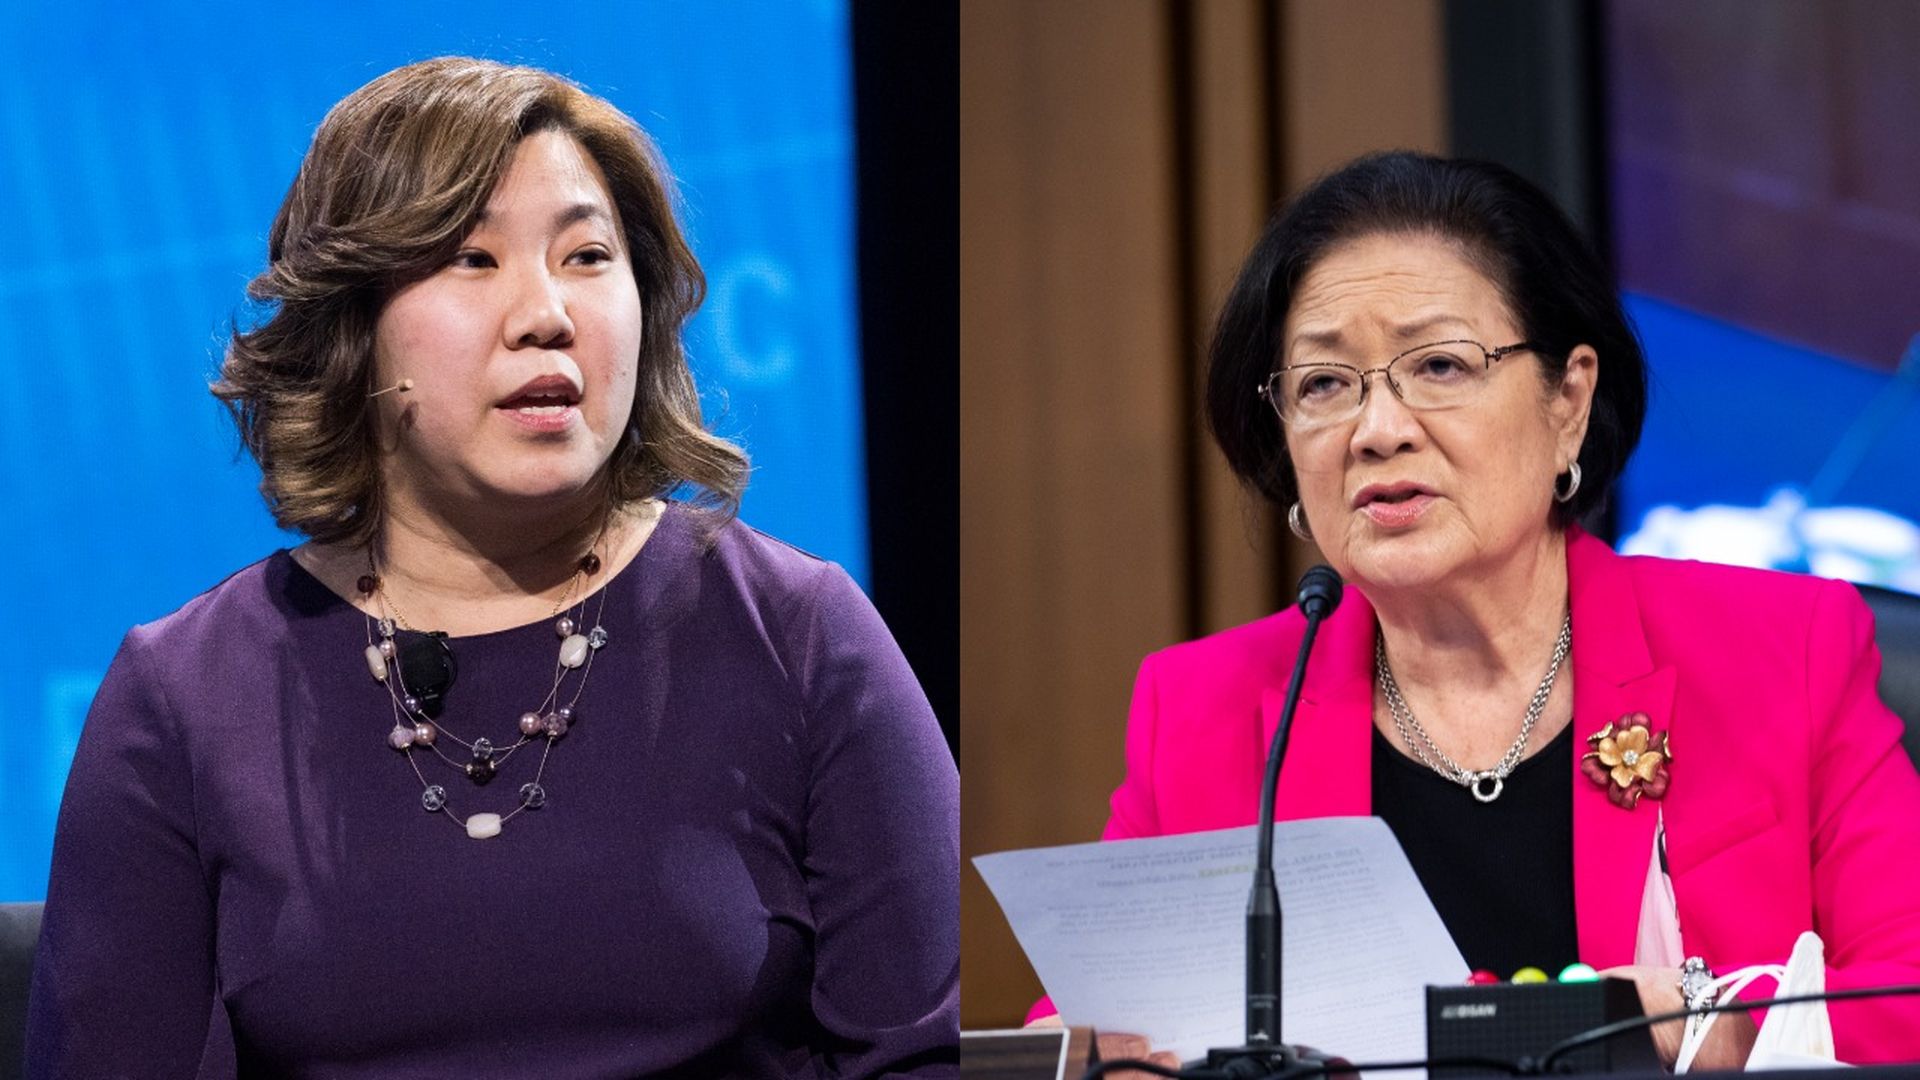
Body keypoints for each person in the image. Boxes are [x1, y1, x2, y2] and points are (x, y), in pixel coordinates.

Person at [26, 57, 958, 1078]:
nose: (545, 313)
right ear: (355, 325)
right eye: (473, 259)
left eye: (588, 256)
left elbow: (916, 1055)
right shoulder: (185, 697)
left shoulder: (800, 635)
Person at [1031, 151, 1920, 1069]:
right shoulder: (1204, 708)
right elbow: (1081, 1031)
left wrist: (1701, 1023)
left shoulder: (1783, 651)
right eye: (1325, 385)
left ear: (1568, 401)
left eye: (1441, 365)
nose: (1378, 430)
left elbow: (1911, 995)